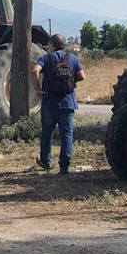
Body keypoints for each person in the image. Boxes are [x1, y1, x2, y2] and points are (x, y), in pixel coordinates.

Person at [32, 34, 83, 174]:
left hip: (50, 102)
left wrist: (37, 89)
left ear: (52, 45)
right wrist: (71, 83)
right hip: (68, 102)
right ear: (64, 45)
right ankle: (64, 166)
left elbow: (35, 70)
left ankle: (45, 161)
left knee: (47, 132)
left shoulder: (46, 58)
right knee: (67, 134)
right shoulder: (72, 58)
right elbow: (82, 75)